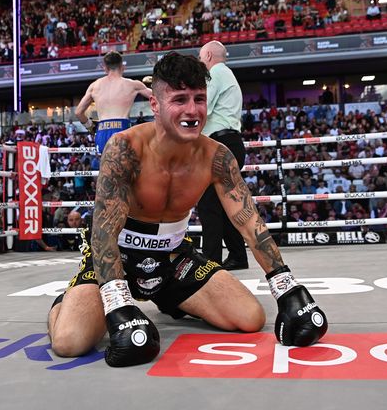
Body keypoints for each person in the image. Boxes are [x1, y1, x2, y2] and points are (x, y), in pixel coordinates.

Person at [48, 52, 327, 368]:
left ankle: (172, 300)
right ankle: (64, 304)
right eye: (179, 99)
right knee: (70, 341)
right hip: (118, 257)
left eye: (199, 99)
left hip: (173, 258)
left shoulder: (216, 156)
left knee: (250, 317)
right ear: (155, 104)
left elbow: (249, 222)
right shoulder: (125, 148)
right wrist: (116, 301)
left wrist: (286, 287)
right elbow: (103, 231)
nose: (192, 111)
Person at [196, 40, 249, 270]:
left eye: (200, 58)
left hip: (220, 141)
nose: (200, 62)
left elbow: (202, 107)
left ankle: (210, 261)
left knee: (208, 203)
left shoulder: (215, 73)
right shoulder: (227, 74)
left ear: (208, 55)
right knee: (224, 203)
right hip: (230, 141)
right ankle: (237, 255)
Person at [75, 51, 152, 154]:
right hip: (123, 130)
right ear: (122, 66)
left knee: (105, 168)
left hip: (102, 131)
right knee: (125, 168)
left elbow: (78, 112)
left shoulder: (94, 86)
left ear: (105, 68)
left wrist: (91, 127)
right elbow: (157, 98)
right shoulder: (133, 85)